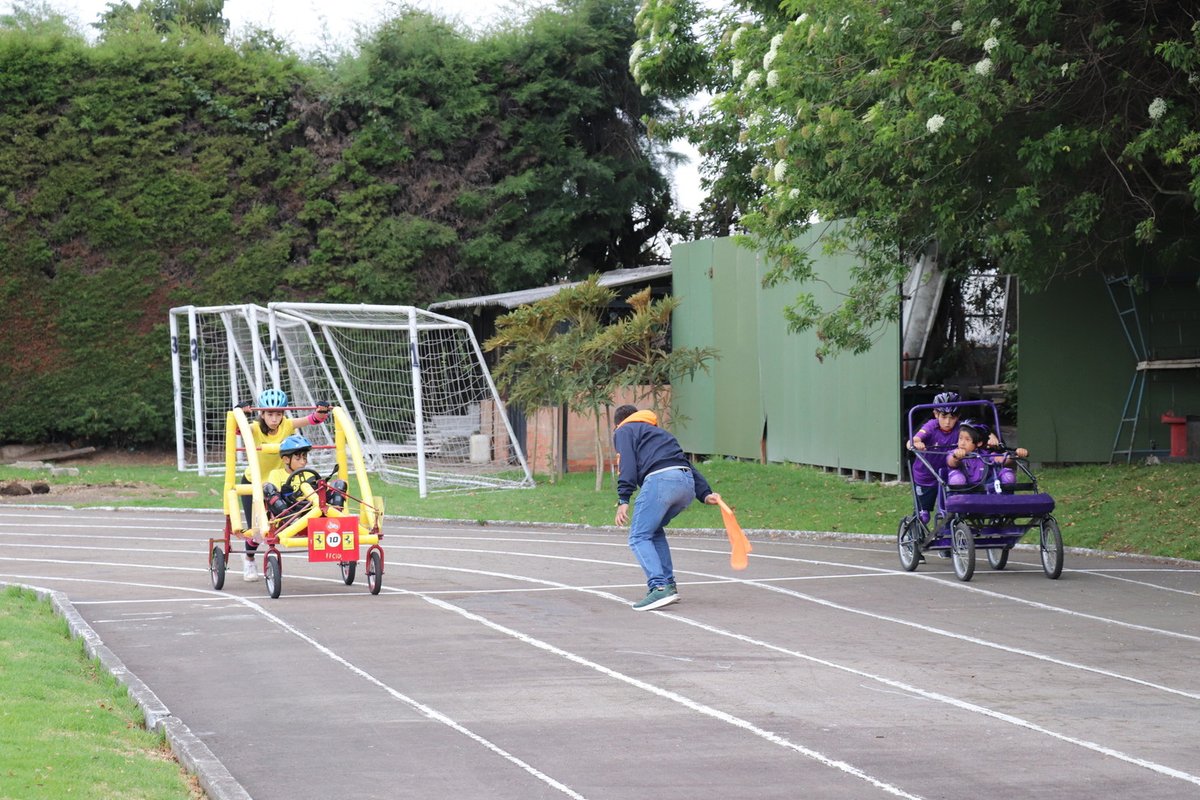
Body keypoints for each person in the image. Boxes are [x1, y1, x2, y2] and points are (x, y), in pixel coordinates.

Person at [612, 404, 722, 611]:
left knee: (638, 536)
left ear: (618, 423)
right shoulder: (660, 433)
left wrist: (623, 498)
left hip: (661, 481)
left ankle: (659, 586)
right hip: (686, 484)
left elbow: (626, 462)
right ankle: (669, 583)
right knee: (653, 531)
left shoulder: (624, 430)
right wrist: (705, 493)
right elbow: (686, 464)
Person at [236, 389, 331, 581]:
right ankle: (249, 560)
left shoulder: (287, 425)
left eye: (278, 414)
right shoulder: (254, 428)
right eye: (270, 414)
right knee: (256, 528)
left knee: (277, 523)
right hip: (253, 482)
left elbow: (312, 419)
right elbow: (238, 429)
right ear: (261, 414)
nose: (274, 419)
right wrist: (240, 412)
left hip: (277, 482)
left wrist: (321, 411)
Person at [908, 391, 961, 519]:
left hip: (948, 475)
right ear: (936, 414)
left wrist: (991, 437)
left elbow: (979, 432)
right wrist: (917, 442)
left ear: (958, 416)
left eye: (952, 417)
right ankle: (913, 533)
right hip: (926, 475)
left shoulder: (961, 428)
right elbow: (913, 440)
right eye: (944, 416)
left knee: (952, 510)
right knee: (923, 515)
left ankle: (951, 533)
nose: (948, 421)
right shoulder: (931, 426)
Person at [946, 420, 1029, 491]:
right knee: (957, 479)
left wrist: (1015, 455)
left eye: (967, 439)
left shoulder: (986, 454)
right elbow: (951, 462)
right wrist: (956, 457)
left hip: (987, 489)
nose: (962, 443)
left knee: (1008, 475)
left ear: (979, 443)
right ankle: (959, 506)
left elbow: (1001, 459)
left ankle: (1005, 503)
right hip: (964, 493)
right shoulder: (955, 452)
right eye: (960, 438)